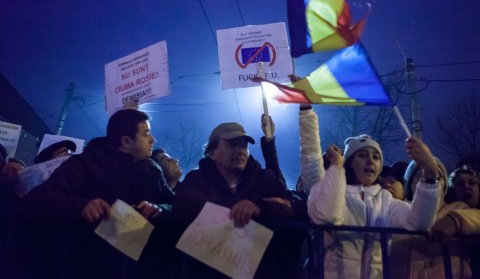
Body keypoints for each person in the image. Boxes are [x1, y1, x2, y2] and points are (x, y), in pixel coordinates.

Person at [8, 109, 175, 279]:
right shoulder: (84, 164)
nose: (153, 140)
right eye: (146, 134)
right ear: (126, 141)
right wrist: (81, 206)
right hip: (87, 268)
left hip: (138, 270)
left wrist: (159, 208)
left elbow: (174, 204)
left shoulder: (152, 171)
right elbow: (36, 201)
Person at [299, 105, 442, 279]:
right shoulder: (331, 190)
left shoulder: (385, 200)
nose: (370, 161)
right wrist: (336, 166)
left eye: (376, 157)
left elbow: (419, 223)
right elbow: (326, 215)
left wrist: (430, 173)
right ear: (350, 162)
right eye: (362, 155)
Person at [173, 122, 300, 278]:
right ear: (212, 152)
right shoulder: (196, 179)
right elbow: (183, 206)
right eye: (232, 145)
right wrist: (237, 206)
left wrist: (260, 208)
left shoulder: (264, 179)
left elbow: (291, 208)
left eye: (244, 146)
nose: (240, 151)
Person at [389, 158, 472, 278]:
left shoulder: (459, 209)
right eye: (422, 175)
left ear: (445, 185)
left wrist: (455, 220)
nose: (433, 180)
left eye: (439, 176)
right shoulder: (397, 212)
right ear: (410, 185)